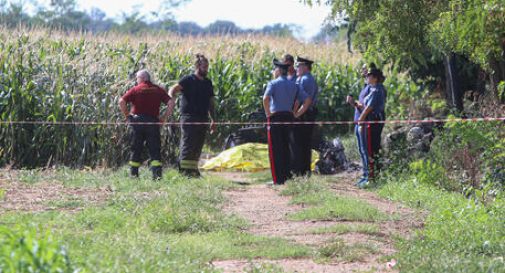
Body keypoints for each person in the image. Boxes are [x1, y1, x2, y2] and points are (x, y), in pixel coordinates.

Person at [263, 59, 312, 185]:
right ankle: (286, 177)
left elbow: (266, 98)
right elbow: (307, 101)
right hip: (289, 117)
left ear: (278, 70)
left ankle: (277, 179)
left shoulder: (273, 83)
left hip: (276, 117)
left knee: (275, 149)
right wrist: (297, 114)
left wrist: (268, 113)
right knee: (288, 148)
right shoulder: (295, 85)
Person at [168, 54, 216, 178]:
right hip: (189, 118)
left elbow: (211, 102)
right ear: (197, 66)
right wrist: (171, 101)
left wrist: (213, 119)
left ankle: (193, 171)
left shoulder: (208, 83)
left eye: (207, 67)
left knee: (198, 145)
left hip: (203, 118)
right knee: (188, 145)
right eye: (204, 67)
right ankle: (184, 172)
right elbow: (173, 90)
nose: (206, 69)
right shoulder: (188, 80)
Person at [119, 69, 171, 180]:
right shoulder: (157, 89)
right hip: (153, 122)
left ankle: (134, 175)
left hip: (137, 122)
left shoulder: (136, 89)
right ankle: (157, 176)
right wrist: (164, 118)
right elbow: (171, 102)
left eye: (137, 78)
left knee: (136, 148)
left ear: (141, 78)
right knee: (154, 149)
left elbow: (121, 101)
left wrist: (128, 116)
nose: (136, 81)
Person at [354, 67, 387, 188]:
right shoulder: (373, 88)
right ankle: (367, 174)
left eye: (369, 76)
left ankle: (371, 176)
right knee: (367, 148)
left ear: (375, 78)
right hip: (370, 121)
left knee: (370, 148)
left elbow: (369, 108)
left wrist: (360, 120)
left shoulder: (377, 90)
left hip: (373, 122)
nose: (366, 78)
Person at [291, 56, 319, 176]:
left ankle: (300, 171)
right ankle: (304, 171)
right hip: (307, 113)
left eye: (299, 66)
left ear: (305, 67)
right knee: (305, 143)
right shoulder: (308, 78)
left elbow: (303, 101)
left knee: (299, 143)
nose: (297, 68)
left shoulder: (304, 79)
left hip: (304, 114)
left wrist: (296, 114)